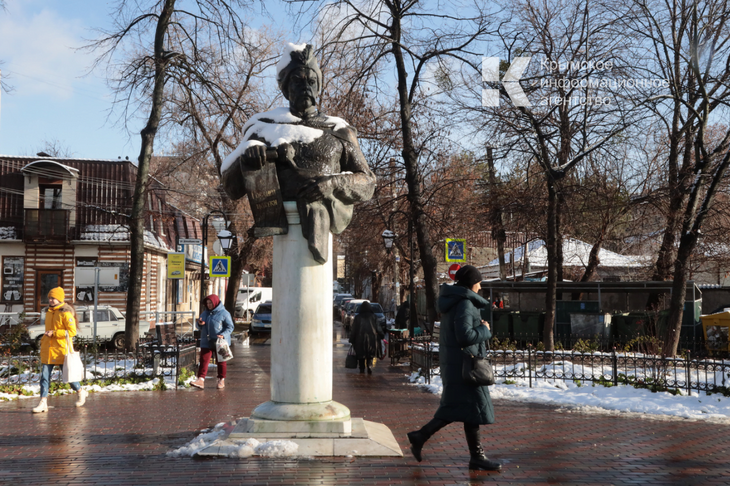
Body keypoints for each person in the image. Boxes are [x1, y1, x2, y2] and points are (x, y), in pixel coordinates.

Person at [220, 43, 376, 264]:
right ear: (285, 88)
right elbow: (231, 189)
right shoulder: (264, 128)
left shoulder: (338, 130)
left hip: (324, 217)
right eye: (297, 81)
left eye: (311, 82)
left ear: (318, 87)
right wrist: (247, 157)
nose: (305, 87)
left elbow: (368, 183)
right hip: (283, 227)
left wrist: (332, 184)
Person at [406, 265, 501, 471]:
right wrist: (484, 329)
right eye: (479, 282)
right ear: (471, 283)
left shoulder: (457, 301)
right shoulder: (465, 304)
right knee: (464, 409)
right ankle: (474, 455)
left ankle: (473, 455)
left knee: (465, 410)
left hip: (458, 364)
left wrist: (478, 327)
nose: (480, 286)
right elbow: (465, 336)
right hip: (465, 366)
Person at [32, 287, 87, 413]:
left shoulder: (66, 313)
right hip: (48, 349)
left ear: (60, 299)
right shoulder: (48, 312)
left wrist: (55, 333)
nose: (51, 300)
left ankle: (80, 391)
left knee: (69, 377)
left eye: (54, 298)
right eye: (50, 298)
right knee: (44, 377)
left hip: (62, 350)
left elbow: (72, 332)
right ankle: (43, 403)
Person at [190, 295, 234, 390]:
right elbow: (198, 325)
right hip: (206, 340)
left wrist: (223, 335)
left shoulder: (224, 313)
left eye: (210, 303)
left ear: (215, 303)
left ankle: (221, 379)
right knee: (204, 360)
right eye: (207, 303)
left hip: (220, 341)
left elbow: (230, 327)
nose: (209, 305)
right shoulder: (205, 313)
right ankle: (200, 380)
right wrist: (199, 324)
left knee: (221, 361)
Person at [349, 301, 384, 375]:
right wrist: (381, 335)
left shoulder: (358, 317)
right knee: (370, 355)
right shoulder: (373, 317)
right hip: (371, 339)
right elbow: (378, 328)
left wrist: (352, 339)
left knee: (361, 355)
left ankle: (362, 368)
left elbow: (354, 329)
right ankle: (369, 366)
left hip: (359, 339)